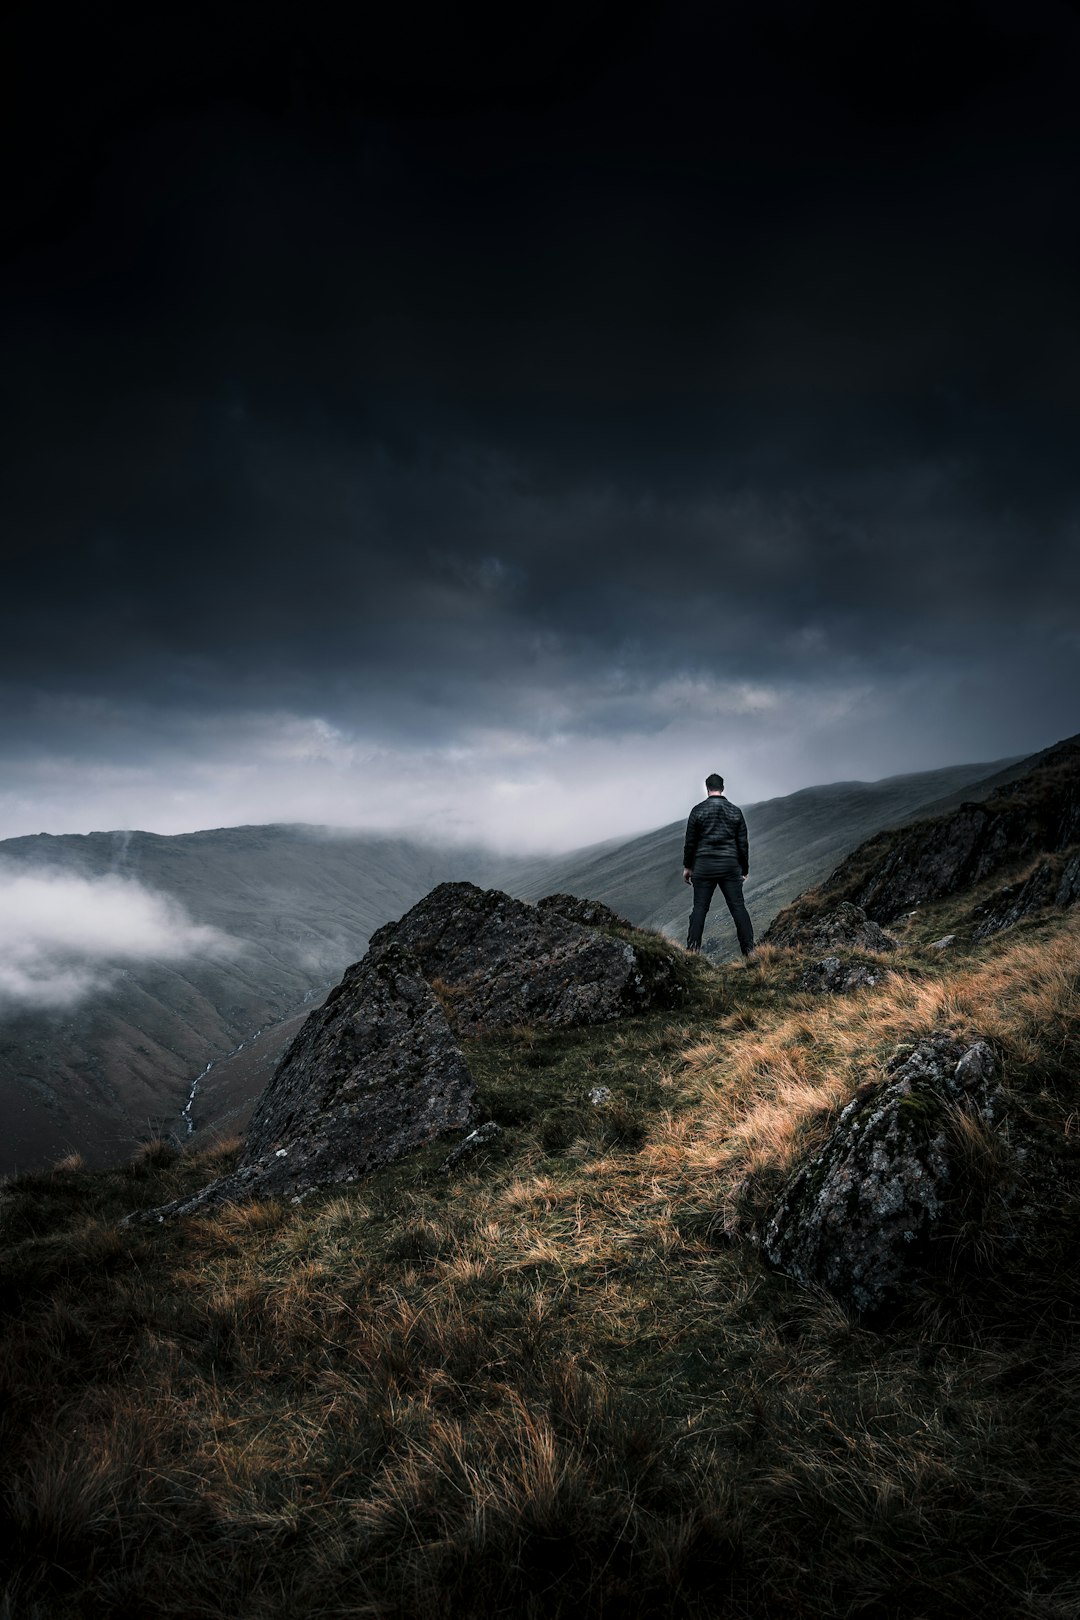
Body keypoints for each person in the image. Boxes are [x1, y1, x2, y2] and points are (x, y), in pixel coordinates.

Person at [682, 772, 755, 956]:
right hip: (730, 866)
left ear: (707, 789)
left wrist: (688, 867)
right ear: (722, 788)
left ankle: (692, 952)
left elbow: (690, 842)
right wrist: (744, 869)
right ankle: (750, 952)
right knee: (738, 908)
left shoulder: (697, 811)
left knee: (699, 908)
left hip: (703, 866)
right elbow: (742, 844)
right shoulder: (735, 811)